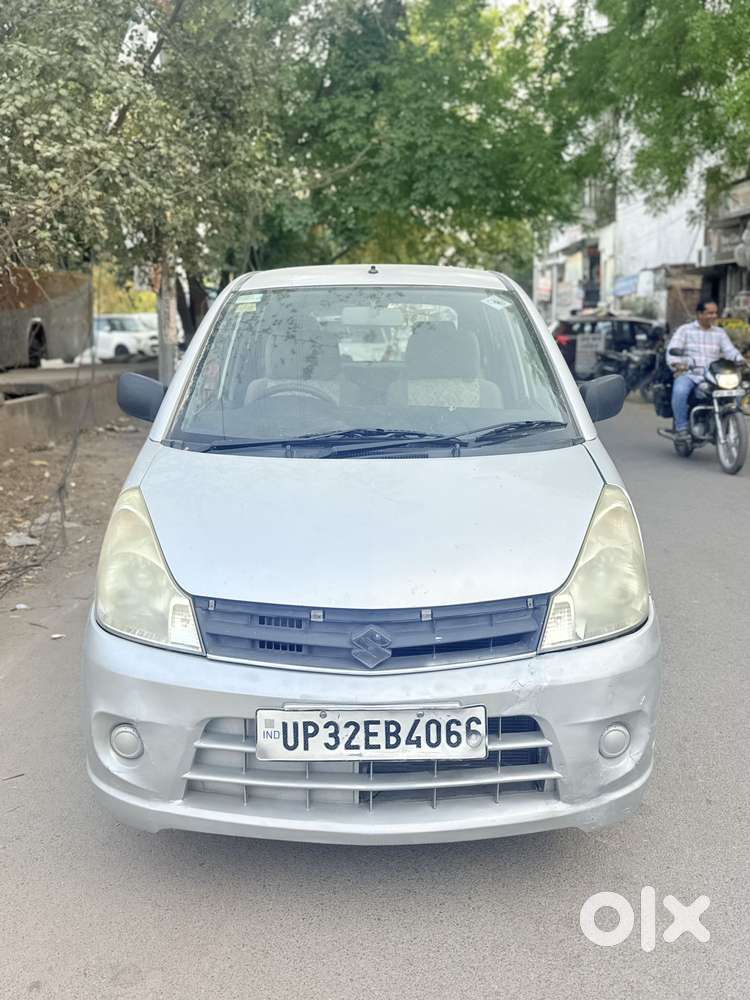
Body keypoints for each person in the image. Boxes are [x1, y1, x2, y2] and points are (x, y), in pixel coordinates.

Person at [667, 299, 745, 440]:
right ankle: (681, 428)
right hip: (690, 373)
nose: (714, 316)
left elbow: (730, 351)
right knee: (680, 390)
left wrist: (740, 360)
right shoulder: (685, 330)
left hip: (714, 375)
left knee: (737, 390)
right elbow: (672, 350)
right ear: (699, 314)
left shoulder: (719, 332)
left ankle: (727, 420)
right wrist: (677, 364)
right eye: (710, 313)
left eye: (715, 313)